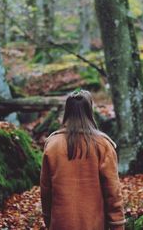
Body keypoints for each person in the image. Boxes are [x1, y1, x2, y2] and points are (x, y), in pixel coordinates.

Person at [40, 90, 125, 230]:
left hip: (61, 224)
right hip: (94, 224)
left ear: (67, 111)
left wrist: (48, 219)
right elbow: (112, 191)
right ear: (89, 111)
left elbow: (46, 190)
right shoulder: (102, 145)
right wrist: (117, 224)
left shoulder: (53, 144)